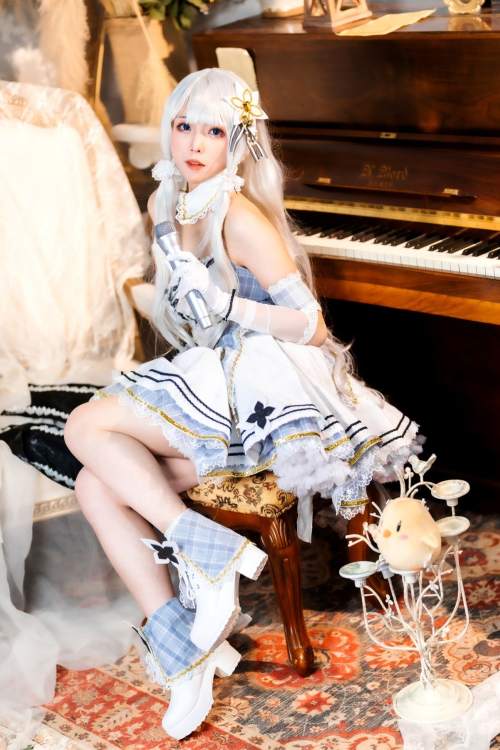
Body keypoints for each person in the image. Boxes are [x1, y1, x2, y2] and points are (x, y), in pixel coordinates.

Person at [64, 68, 421, 740]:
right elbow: (181, 300)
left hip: (266, 391)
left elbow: (311, 326)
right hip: (214, 378)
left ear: (238, 142)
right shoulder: (168, 201)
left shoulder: (239, 215)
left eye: (215, 131)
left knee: (85, 427)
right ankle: (186, 653)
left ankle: (206, 554)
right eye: (184, 126)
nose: (195, 143)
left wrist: (228, 304)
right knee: (92, 483)